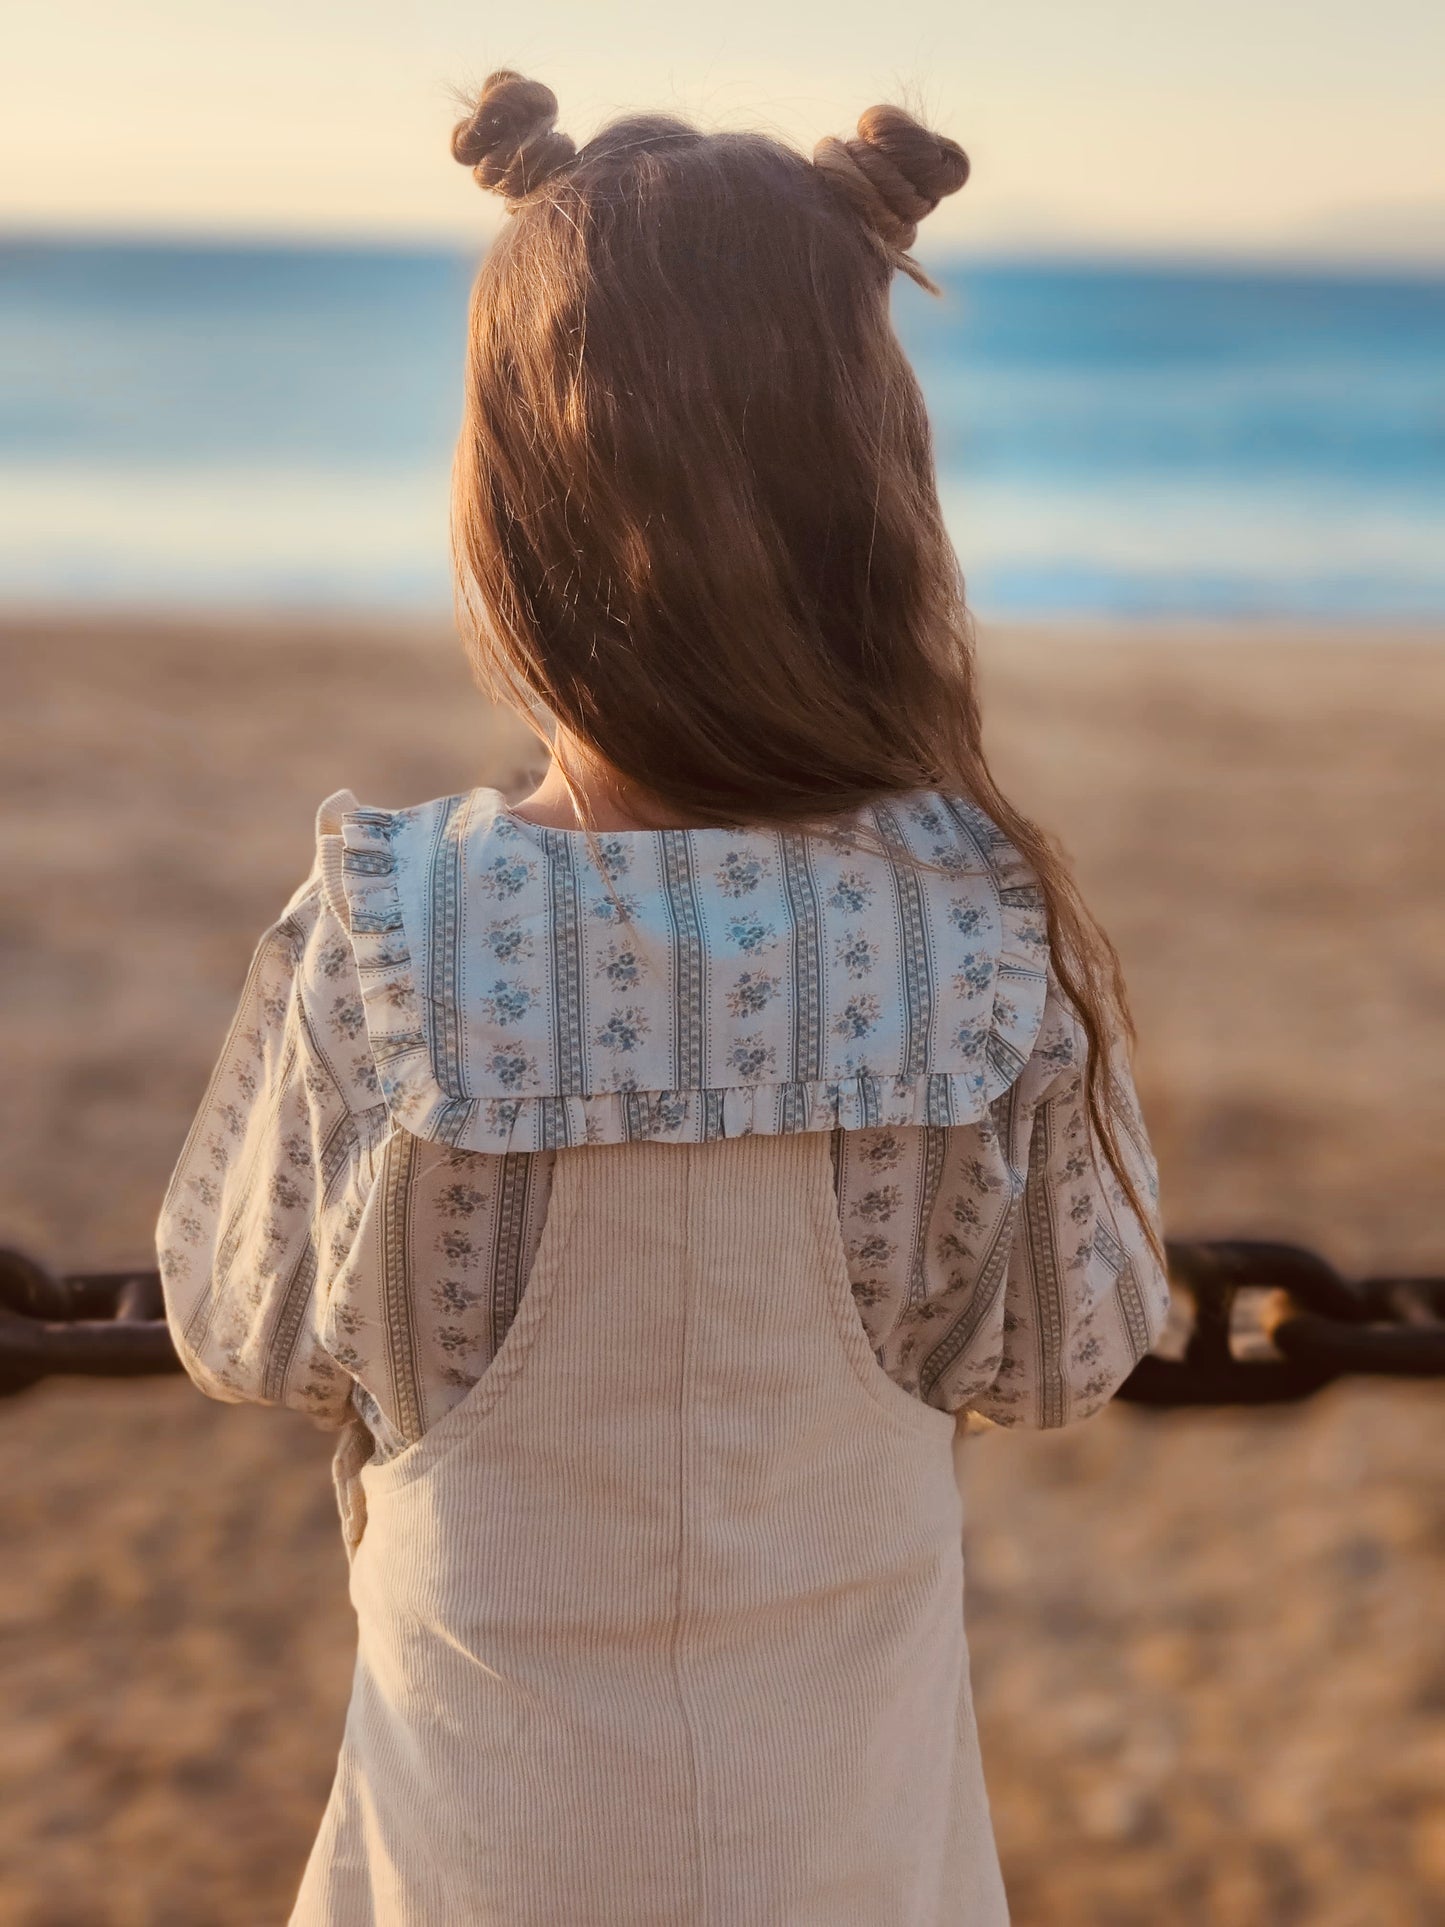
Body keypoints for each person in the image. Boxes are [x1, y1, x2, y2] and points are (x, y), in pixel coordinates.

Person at [159, 71, 1169, 1926]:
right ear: (875, 499)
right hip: (851, 1854)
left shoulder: (390, 923)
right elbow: (1065, 1351)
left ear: (509, 511)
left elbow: (246, 1329)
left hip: (477, 1852)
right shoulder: (969, 926)